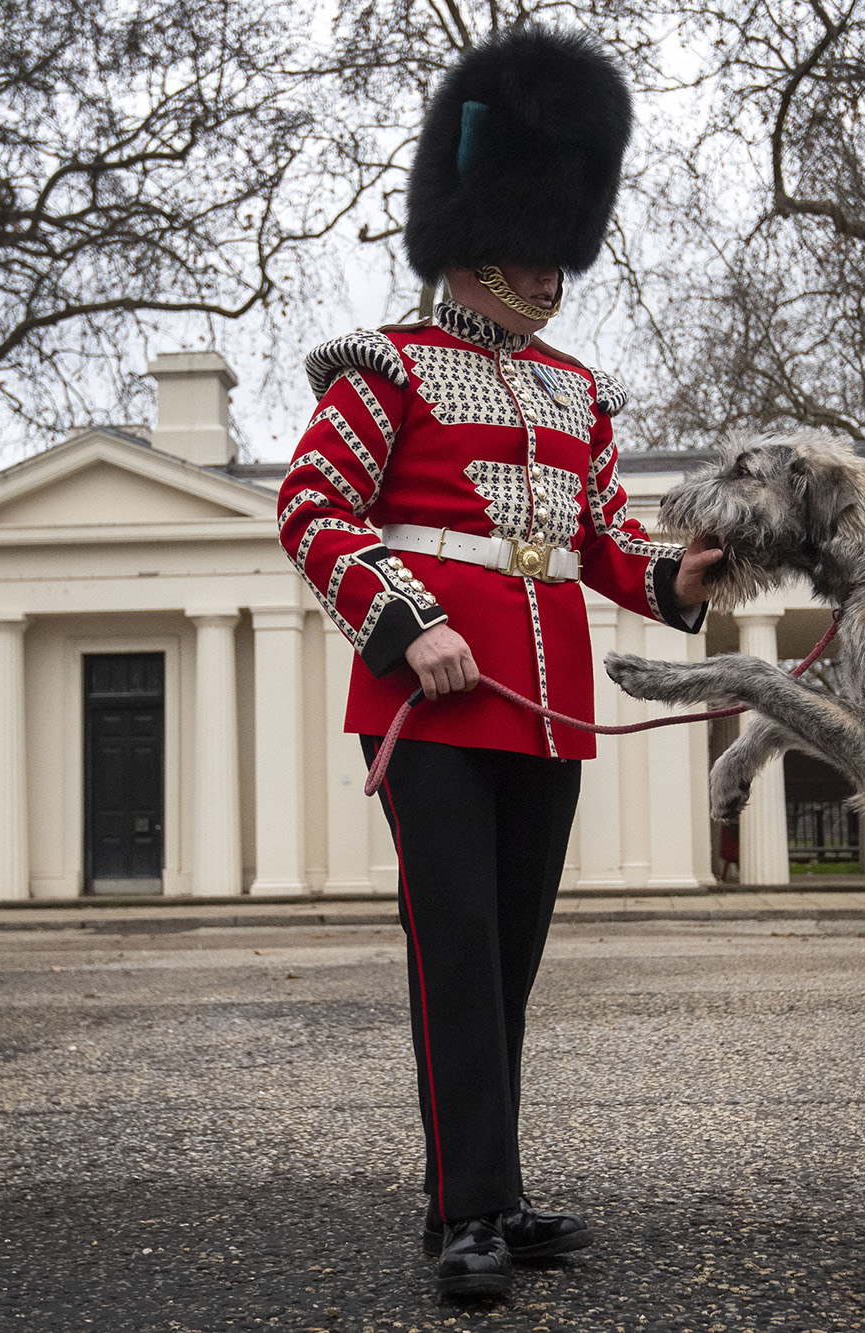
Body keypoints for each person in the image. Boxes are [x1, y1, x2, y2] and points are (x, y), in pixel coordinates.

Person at [276, 26, 721, 1301]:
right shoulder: (386, 366)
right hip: (428, 697)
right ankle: (461, 1214)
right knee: (454, 949)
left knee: (510, 956)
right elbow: (314, 510)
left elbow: (597, 543)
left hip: (542, 709)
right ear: (473, 240)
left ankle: (493, 1192)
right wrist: (409, 622)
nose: (553, 273)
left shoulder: (578, 394)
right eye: (535, 249)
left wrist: (673, 579)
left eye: (559, 247)